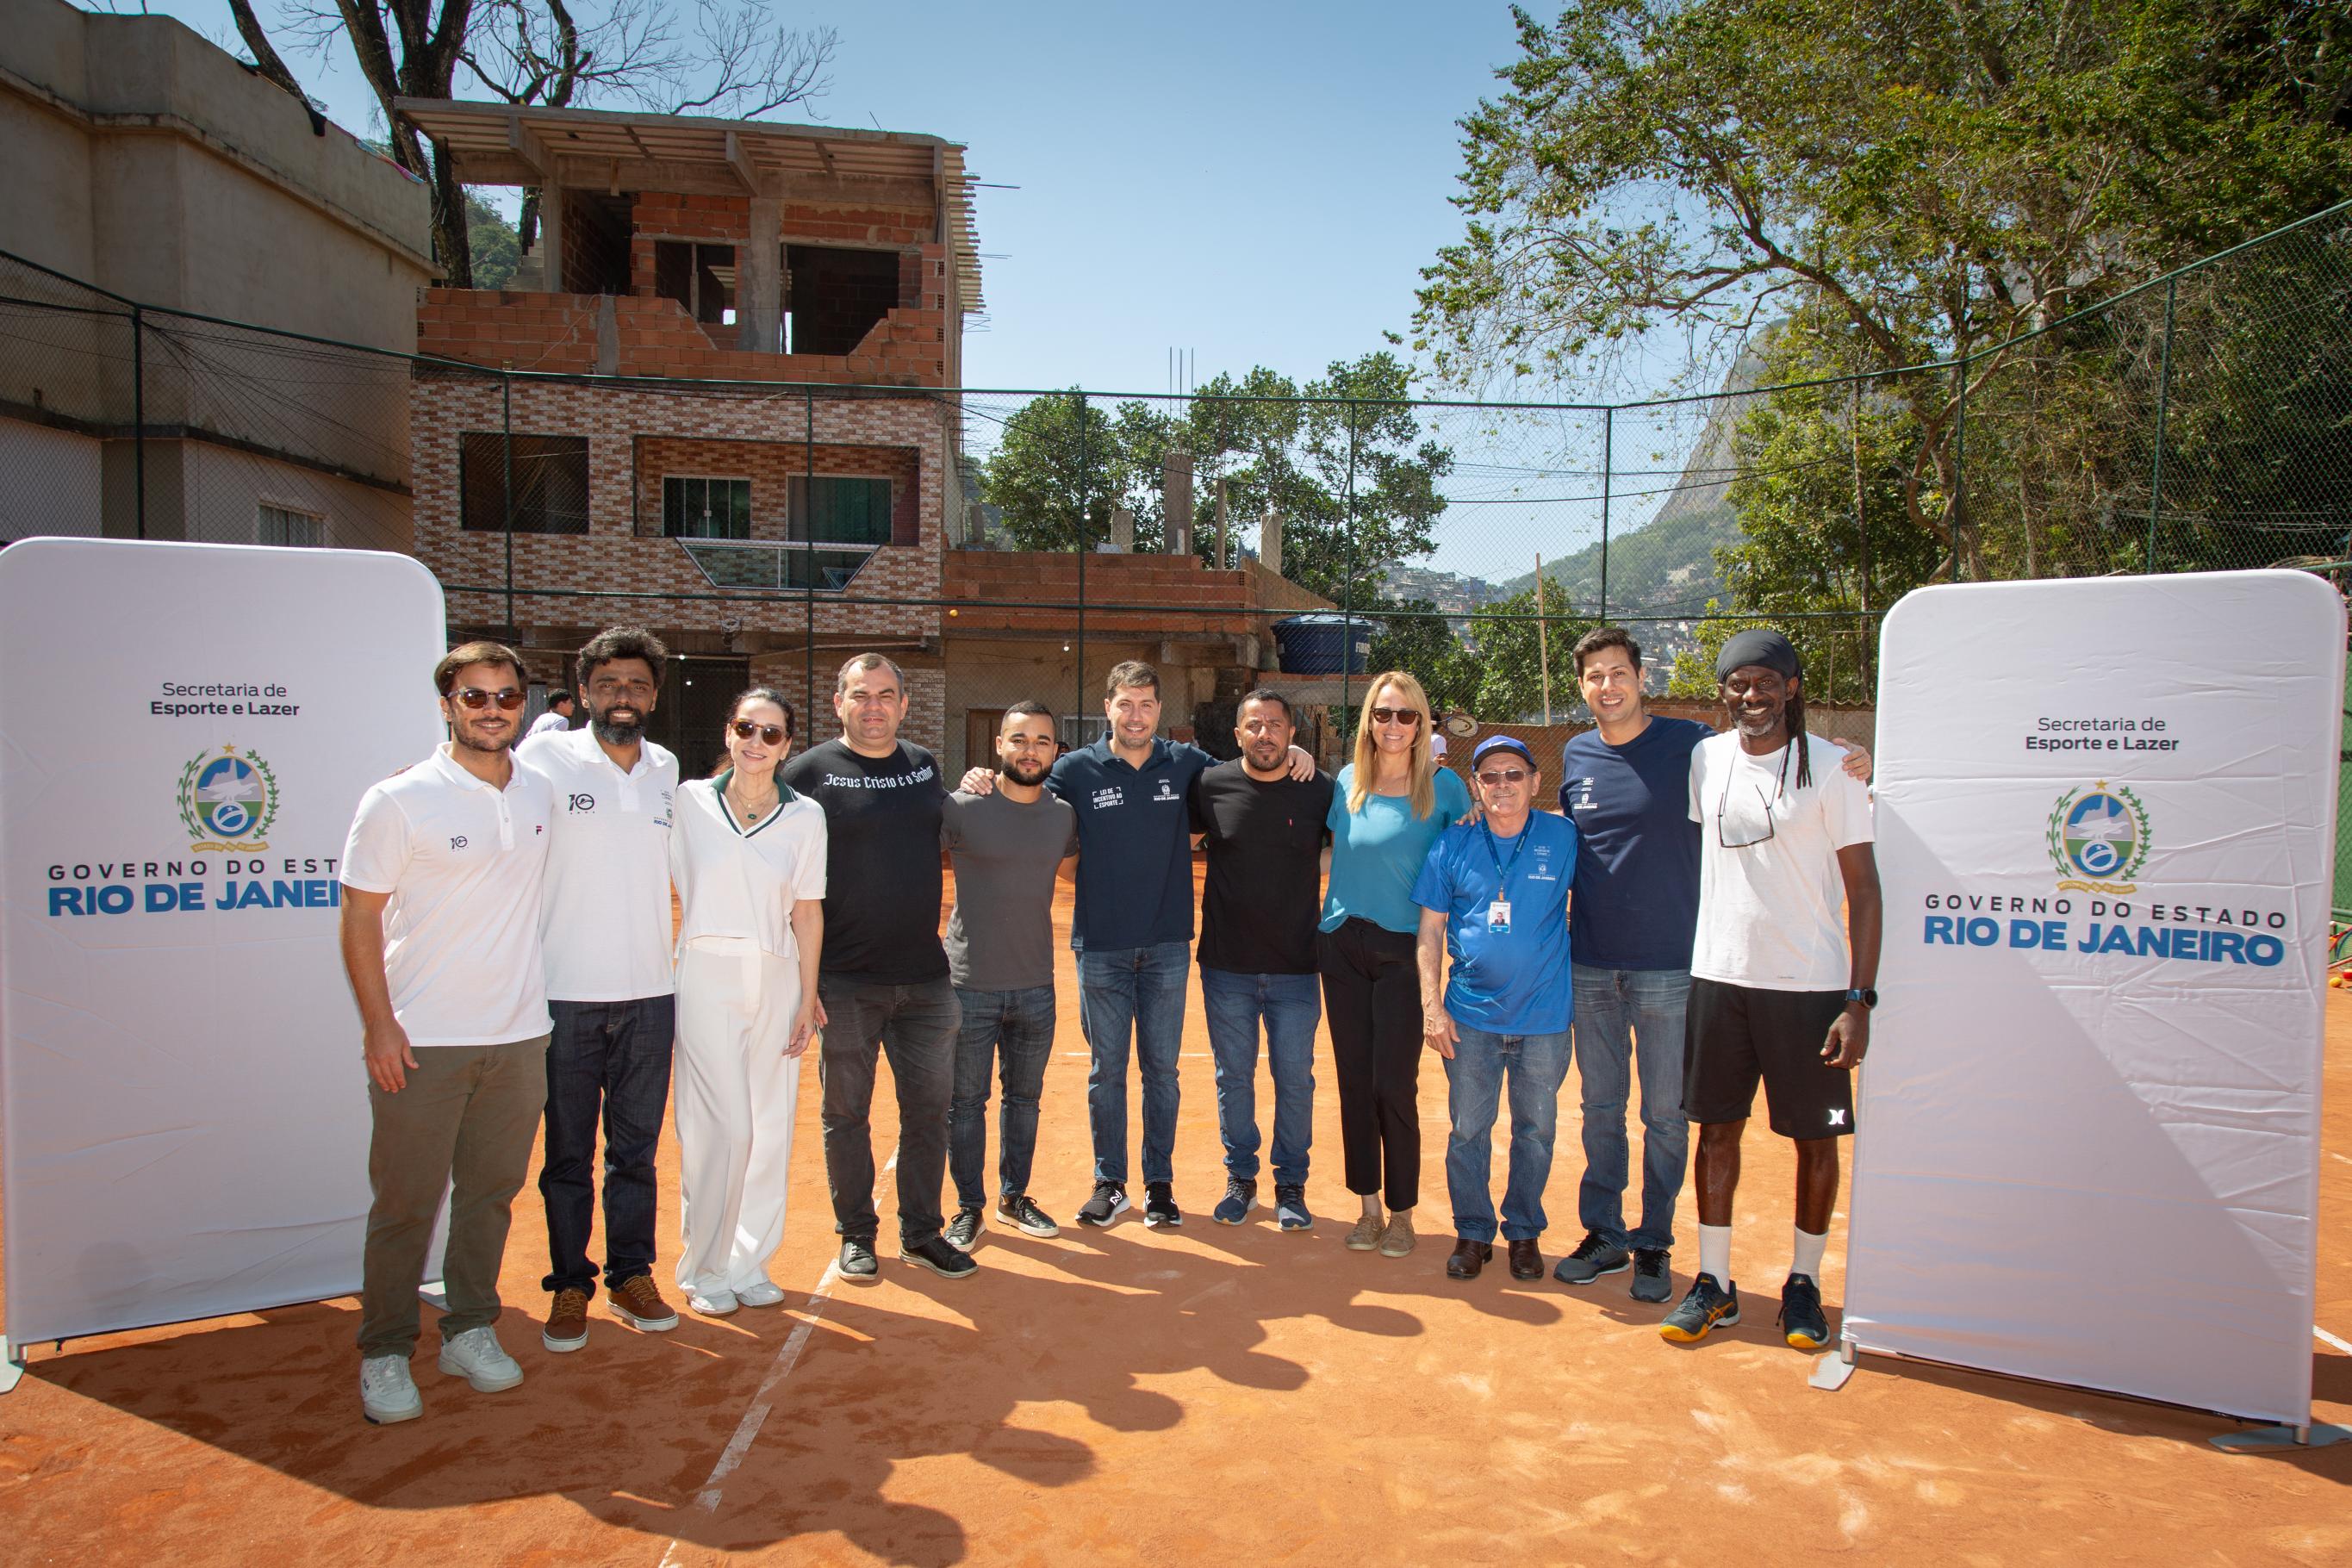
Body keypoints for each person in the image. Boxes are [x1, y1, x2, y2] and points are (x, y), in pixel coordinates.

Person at [1551, 629, 1872, 1304]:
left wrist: (1858, 761)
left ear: (1642, 678)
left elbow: (1786, 757)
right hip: (1595, 966)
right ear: (1581, 688)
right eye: (1594, 677)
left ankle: (1655, 1245)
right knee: (1600, 1108)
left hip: (1676, 968)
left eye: (1618, 673)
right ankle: (1605, 1233)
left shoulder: (1690, 747)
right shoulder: (1582, 754)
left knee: (1667, 1116)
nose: (1607, 687)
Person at [339, 640, 555, 1426]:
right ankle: (387, 1350)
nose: (492, 709)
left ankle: (468, 1329)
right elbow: (359, 916)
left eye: (505, 696)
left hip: (521, 1035)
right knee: (405, 1203)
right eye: (475, 697)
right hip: (423, 1041)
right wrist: (380, 1026)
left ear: (521, 705)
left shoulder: (537, 791)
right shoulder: (398, 800)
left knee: (491, 1196)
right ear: (447, 705)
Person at [1661, 628, 1881, 1351]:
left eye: (1764, 683)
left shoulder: (1836, 769)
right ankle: (1716, 1284)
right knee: (1715, 1130)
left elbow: (1865, 888)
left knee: (1815, 1141)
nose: (1751, 696)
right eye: (1737, 685)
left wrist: (1860, 999)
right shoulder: (1706, 758)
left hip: (1809, 986)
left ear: (1791, 687)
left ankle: (1804, 1284)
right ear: (1723, 694)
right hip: (1720, 977)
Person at [1035, 661, 1314, 1229]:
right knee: (1106, 1070)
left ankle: (1159, 1186)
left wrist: (1297, 756)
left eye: (1146, 705)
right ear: (1107, 706)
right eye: (1124, 704)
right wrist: (982, 780)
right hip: (1101, 947)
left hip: (1165, 947)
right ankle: (1110, 1183)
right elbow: (1027, 802)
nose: (1135, 715)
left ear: (1160, 711)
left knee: (1161, 1070)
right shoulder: (1073, 771)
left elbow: (1250, 772)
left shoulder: (1188, 765)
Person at [779, 654, 974, 1281]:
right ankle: (857, 1234)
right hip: (844, 982)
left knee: (927, 1113)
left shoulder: (921, 766)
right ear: (837, 702)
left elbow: (954, 820)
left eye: (886, 695)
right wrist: (801, 981)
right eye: (861, 695)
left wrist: (980, 783)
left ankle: (921, 1232)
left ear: (904, 704)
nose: (874, 706)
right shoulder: (806, 773)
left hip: (924, 979)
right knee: (846, 1116)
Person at [514, 626, 682, 1349]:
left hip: (651, 993)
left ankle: (631, 1273)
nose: (624, 696)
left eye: (637, 685)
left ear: (654, 695)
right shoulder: (542, 757)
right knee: (567, 1154)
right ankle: (570, 1283)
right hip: (565, 994)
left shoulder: (667, 768)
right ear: (584, 692)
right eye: (609, 683)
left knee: (635, 1152)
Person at [668, 688, 827, 1315]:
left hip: (779, 975)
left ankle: (749, 1260)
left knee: (766, 1129)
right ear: (728, 733)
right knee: (720, 1129)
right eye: (745, 728)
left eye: (771, 734)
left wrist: (807, 995)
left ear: (787, 746)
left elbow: (807, 912)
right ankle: (703, 1266)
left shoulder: (806, 816)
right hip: (704, 974)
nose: (755, 743)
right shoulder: (686, 801)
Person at [1317, 672, 1472, 1259]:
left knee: (1393, 1086)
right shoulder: (1347, 782)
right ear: (1368, 722)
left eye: (1406, 716)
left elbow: (1472, 848)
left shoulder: (1444, 786)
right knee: (1354, 1083)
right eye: (1383, 714)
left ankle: (1403, 1212)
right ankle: (1366, 1207)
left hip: (1406, 952)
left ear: (1422, 723)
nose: (1394, 725)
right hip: (1341, 944)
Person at [1413, 735, 1577, 1283]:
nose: (1502, 785)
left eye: (1513, 775)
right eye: (1490, 777)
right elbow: (1430, 929)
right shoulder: (1452, 845)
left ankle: (1525, 1231)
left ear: (1534, 782)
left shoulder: (1565, 836)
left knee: (1535, 1129)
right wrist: (1432, 1008)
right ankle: (1474, 1232)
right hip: (1472, 1019)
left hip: (1545, 1019)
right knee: (1468, 1130)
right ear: (1476, 788)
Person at [1189, 688, 1334, 1231]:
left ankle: (1291, 1183)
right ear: (1238, 734)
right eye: (1254, 725)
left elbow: (1350, 843)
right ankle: (1241, 1179)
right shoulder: (1210, 784)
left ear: (1292, 733)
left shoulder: (1317, 788)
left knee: (1295, 1079)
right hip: (1227, 965)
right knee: (1235, 1079)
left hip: (1298, 965)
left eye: (1275, 725)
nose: (1265, 734)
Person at [939, 700, 1080, 1250]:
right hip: (968, 985)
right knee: (965, 1104)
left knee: (1024, 1101)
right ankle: (968, 1207)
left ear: (1054, 751)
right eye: (1019, 740)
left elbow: (1074, 873)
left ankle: (1013, 1196)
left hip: (1035, 987)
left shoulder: (1062, 816)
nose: (1030, 750)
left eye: (1042, 741)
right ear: (999, 745)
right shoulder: (962, 807)